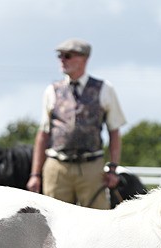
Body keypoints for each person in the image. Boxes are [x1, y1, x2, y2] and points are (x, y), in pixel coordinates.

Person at [26, 38, 126, 209]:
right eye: (60, 56)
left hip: (91, 167)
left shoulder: (104, 89)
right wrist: (35, 174)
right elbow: (43, 134)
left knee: (98, 219)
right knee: (53, 220)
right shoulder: (52, 90)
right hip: (57, 166)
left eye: (68, 56)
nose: (62, 60)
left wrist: (113, 168)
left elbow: (114, 131)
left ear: (84, 59)